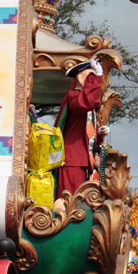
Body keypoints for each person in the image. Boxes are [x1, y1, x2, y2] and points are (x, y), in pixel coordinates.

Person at [53, 57, 103, 197]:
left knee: (79, 201)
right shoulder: (74, 96)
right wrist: (97, 77)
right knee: (70, 201)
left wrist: (100, 133)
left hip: (81, 160)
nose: (93, 81)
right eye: (90, 77)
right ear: (82, 79)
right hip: (73, 160)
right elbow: (89, 101)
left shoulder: (80, 100)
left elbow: (86, 132)